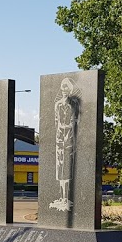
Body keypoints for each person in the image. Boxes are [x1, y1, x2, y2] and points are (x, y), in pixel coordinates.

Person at [50, 77, 80, 212]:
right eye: (62, 87)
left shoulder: (74, 104)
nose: (63, 90)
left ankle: (66, 197)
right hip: (59, 138)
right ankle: (61, 197)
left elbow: (75, 123)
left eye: (66, 87)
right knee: (60, 168)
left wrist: (74, 140)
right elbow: (56, 122)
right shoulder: (57, 105)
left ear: (70, 89)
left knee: (67, 169)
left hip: (69, 137)